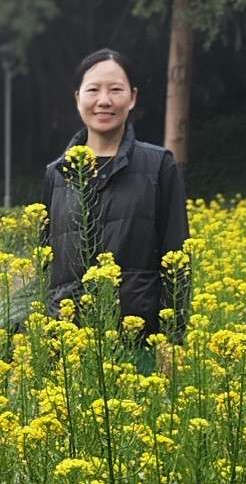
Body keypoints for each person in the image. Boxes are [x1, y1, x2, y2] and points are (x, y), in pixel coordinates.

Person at [41, 48, 190, 337]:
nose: (104, 101)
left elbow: (177, 258)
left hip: (137, 337)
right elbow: (45, 263)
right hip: (68, 340)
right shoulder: (56, 173)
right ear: (77, 98)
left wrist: (171, 339)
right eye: (93, 89)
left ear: (132, 98)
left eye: (116, 90)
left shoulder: (159, 165)